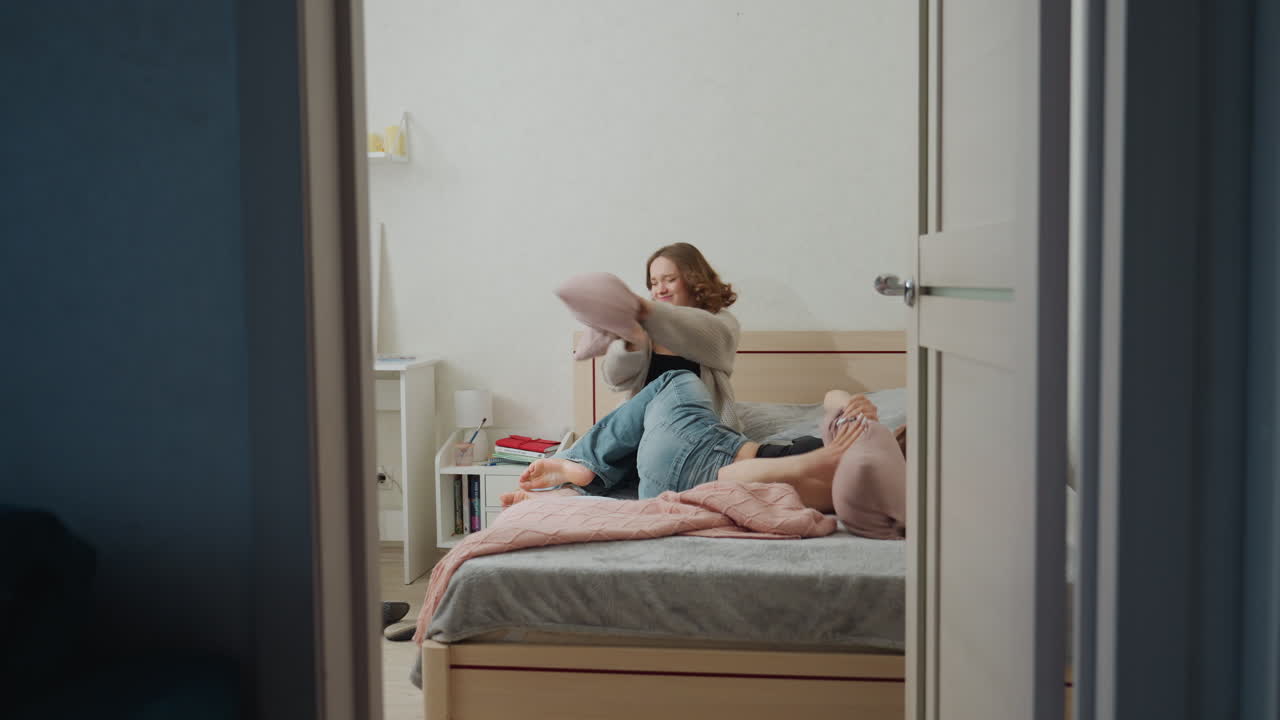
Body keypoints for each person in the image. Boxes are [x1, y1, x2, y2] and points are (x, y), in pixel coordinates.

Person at [501, 369, 880, 512]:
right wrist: (851, 405)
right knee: (639, 456)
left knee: (676, 379)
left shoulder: (850, 459)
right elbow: (832, 395)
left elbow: (744, 475)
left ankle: (581, 465)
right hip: (671, 487)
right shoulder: (863, 457)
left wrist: (818, 455)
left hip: (706, 459)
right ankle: (575, 489)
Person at [602, 243, 745, 431]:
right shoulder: (646, 327)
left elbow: (708, 336)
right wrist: (630, 342)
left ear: (693, 280)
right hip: (643, 428)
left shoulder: (723, 322)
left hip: (696, 431)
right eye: (654, 283)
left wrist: (646, 311)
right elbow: (614, 378)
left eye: (669, 280)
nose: (660, 290)